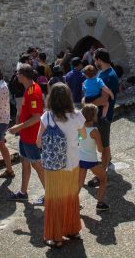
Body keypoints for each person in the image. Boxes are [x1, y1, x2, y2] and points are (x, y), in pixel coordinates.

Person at [36, 83, 84, 248]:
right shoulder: (77, 116)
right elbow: (83, 136)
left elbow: (38, 142)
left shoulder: (47, 117)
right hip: (73, 162)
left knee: (54, 200)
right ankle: (72, 230)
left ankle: (56, 238)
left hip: (54, 166)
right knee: (70, 196)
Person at [7, 63, 45, 202]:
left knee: (37, 165)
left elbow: (37, 117)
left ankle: (50, 194)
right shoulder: (29, 89)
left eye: (17, 73)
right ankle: (23, 193)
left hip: (30, 137)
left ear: (22, 75)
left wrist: (18, 127)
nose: (16, 75)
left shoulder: (33, 91)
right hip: (25, 135)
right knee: (24, 161)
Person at [88, 48, 119, 188]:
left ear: (99, 59)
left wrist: (87, 103)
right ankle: (106, 162)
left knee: (104, 145)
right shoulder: (104, 73)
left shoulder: (109, 76)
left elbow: (104, 99)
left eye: (95, 60)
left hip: (103, 117)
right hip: (99, 115)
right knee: (104, 142)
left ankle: (102, 173)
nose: (94, 62)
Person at [78, 104, 109, 211]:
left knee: (79, 183)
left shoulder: (79, 128)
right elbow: (100, 149)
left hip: (80, 159)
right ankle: (100, 204)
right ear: (93, 116)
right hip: (91, 160)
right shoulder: (95, 131)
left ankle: (73, 204)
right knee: (103, 178)